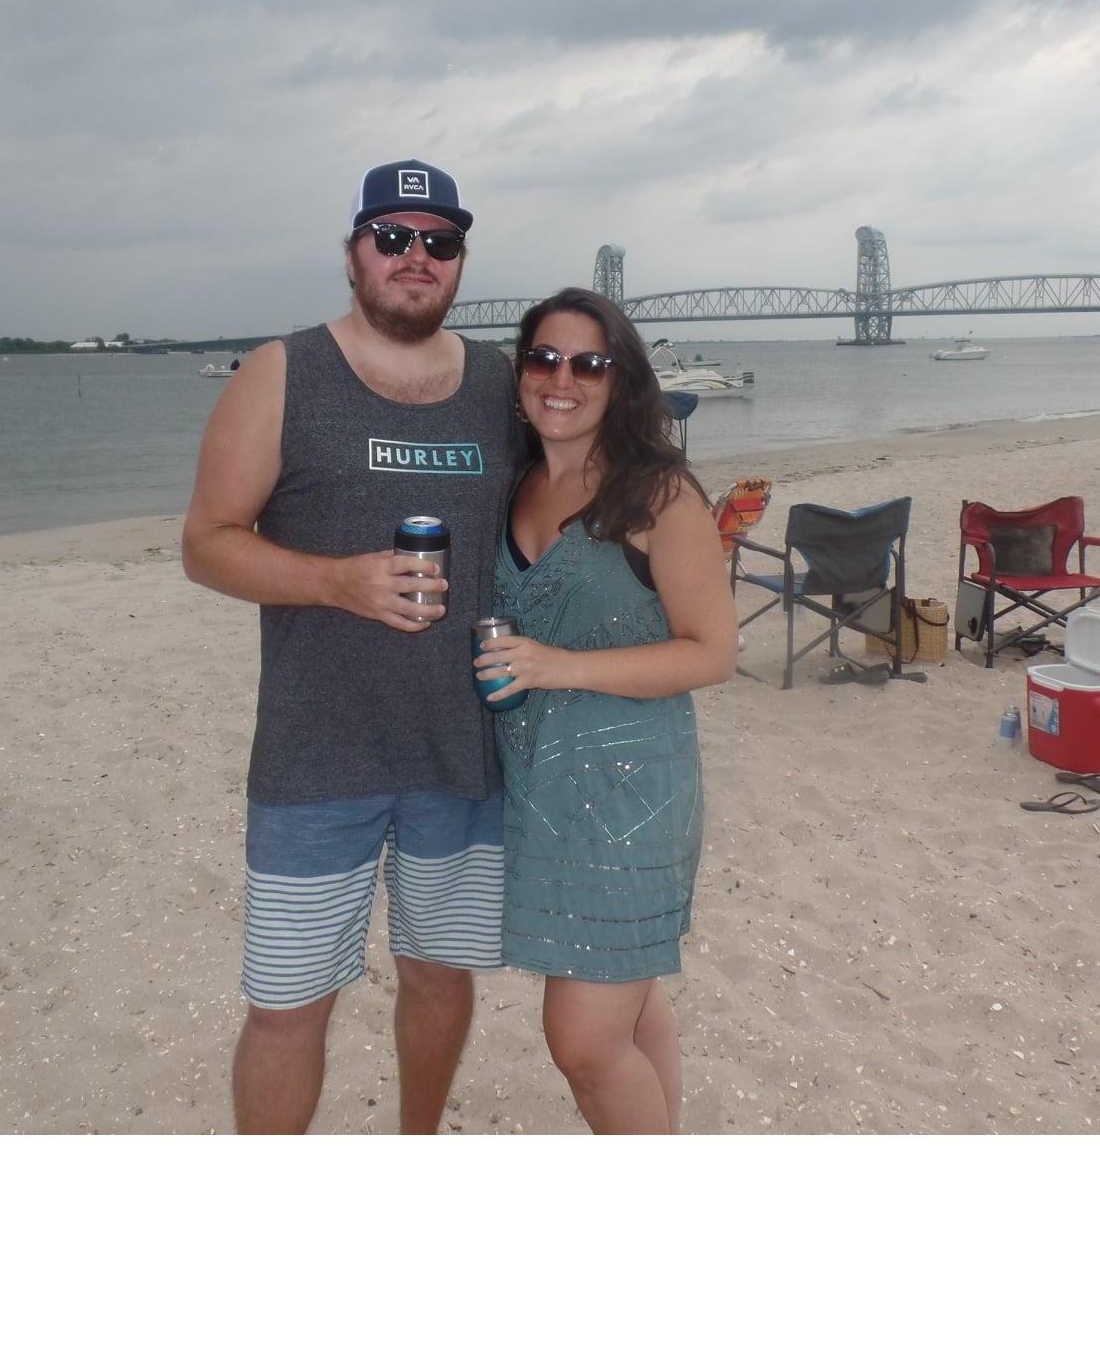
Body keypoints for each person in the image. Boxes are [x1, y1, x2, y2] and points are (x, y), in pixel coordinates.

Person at [182, 159, 518, 1134]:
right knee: (287, 1005)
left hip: (463, 752)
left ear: (458, 262)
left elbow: (563, 517)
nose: (417, 257)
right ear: (353, 254)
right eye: (394, 237)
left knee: (441, 979)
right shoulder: (283, 373)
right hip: (315, 754)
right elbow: (207, 544)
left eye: (440, 242)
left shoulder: (499, 385)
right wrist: (336, 581)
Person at [473, 288, 736, 1134]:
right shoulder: (510, 485)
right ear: (520, 374)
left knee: (584, 1039)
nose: (563, 379)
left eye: (589, 363)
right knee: (632, 1004)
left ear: (621, 383)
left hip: (632, 797)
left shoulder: (656, 495)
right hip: (539, 793)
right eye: (543, 359)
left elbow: (712, 650)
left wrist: (560, 665)